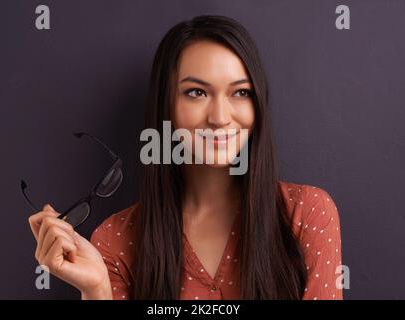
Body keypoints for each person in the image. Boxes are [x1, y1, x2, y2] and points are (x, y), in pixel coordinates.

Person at [28, 15, 342, 300]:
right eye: (197, 92)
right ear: (166, 107)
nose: (220, 117)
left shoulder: (306, 214)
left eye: (240, 93)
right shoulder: (115, 240)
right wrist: (96, 290)